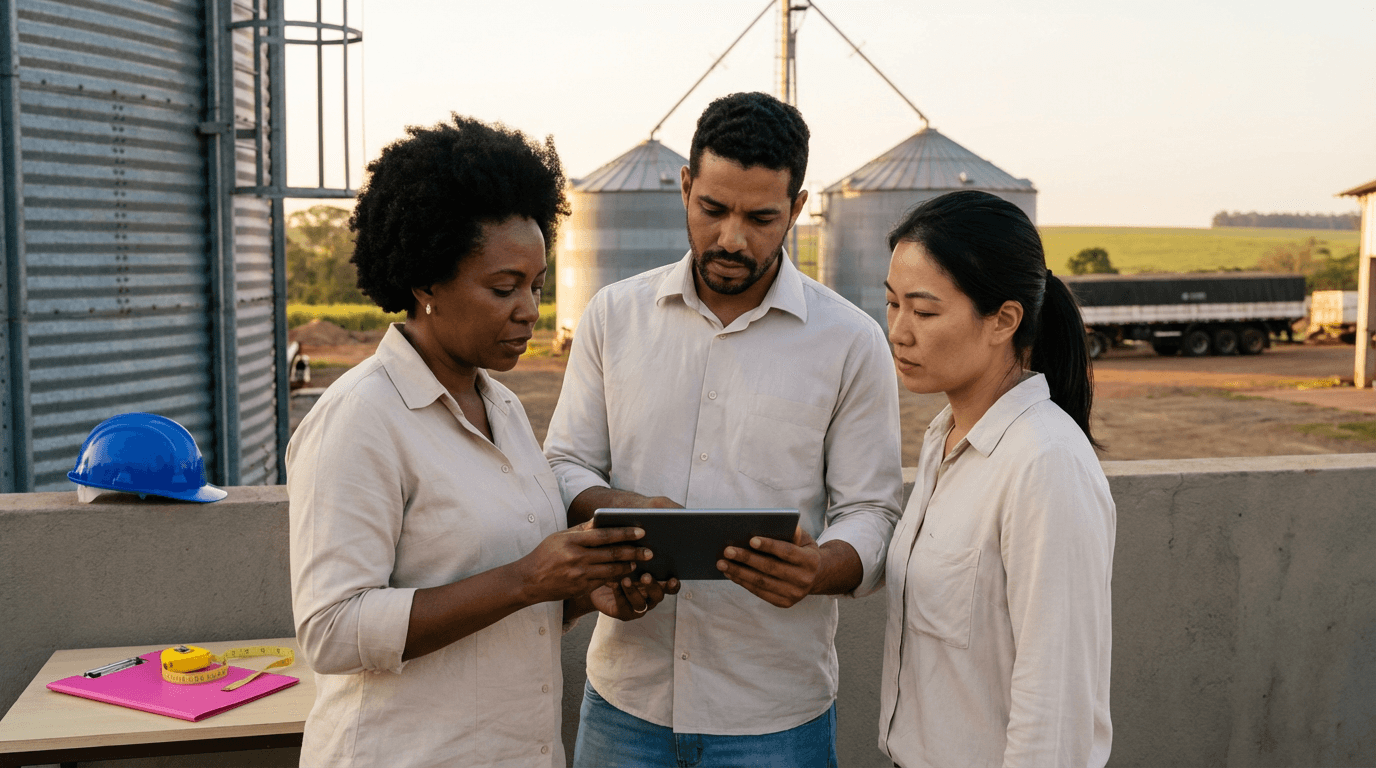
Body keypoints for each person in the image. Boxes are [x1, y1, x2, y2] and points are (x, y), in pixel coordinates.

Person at [287, 115, 664, 768]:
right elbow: (332, 631)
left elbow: (508, 580)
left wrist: (584, 588)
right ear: (427, 281)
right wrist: (526, 580)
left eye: (538, 285)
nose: (530, 310)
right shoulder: (360, 418)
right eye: (503, 287)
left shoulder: (506, 409)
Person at [544, 91, 904, 767]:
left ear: (797, 210)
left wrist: (820, 567)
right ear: (685, 187)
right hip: (625, 702)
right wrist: (625, 511)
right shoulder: (612, 317)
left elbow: (873, 510)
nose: (733, 237)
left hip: (775, 714)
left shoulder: (851, 342)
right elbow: (564, 463)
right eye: (713, 209)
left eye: (761, 217)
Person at [878, 190, 1115, 767]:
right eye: (892, 305)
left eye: (925, 311)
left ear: (1003, 320)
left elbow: (1055, 711)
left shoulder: (1045, 463)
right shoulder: (945, 439)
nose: (899, 332)